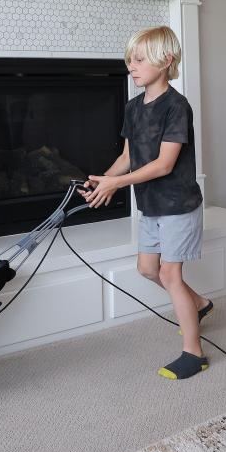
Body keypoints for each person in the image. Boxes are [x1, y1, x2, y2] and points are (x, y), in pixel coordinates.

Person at [78, 25, 211, 380]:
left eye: (139, 60)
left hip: (178, 205)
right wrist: (102, 180)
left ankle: (193, 353)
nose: (131, 67)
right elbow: (128, 156)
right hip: (151, 205)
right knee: (148, 270)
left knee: (170, 273)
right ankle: (198, 305)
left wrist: (117, 184)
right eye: (129, 60)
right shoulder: (134, 107)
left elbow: (164, 164)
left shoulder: (177, 107)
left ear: (166, 61)